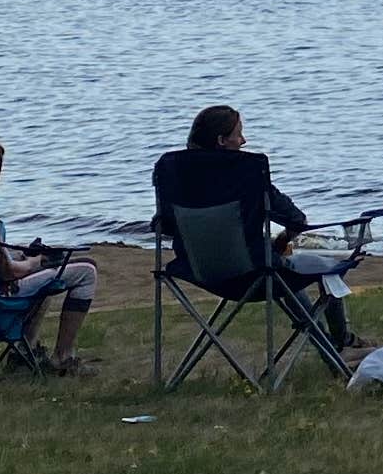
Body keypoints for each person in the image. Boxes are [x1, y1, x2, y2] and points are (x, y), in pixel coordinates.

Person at [151, 103, 363, 350]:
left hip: (198, 271)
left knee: (278, 271)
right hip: (252, 272)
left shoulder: (173, 170)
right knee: (321, 266)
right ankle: (341, 342)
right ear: (221, 140)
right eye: (238, 134)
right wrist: (283, 240)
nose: (243, 140)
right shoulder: (247, 172)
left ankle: (330, 346)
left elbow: (164, 225)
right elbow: (296, 220)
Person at [0, 134, 99, 373]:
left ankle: (24, 352)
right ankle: (63, 356)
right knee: (87, 271)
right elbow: (7, 271)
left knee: (48, 272)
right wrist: (35, 262)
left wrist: (25, 259)